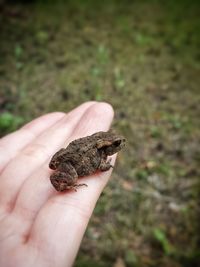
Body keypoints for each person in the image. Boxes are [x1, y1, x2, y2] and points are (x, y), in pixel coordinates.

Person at [0, 102, 116, 267]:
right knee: (72, 176)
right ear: (107, 146)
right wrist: (107, 165)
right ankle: (62, 185)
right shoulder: (100, 154)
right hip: (71, 164)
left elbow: (92, 158)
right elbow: (101, 166)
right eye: (116, 144)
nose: (119, 145)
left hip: (69, 153)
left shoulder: (99, 149)